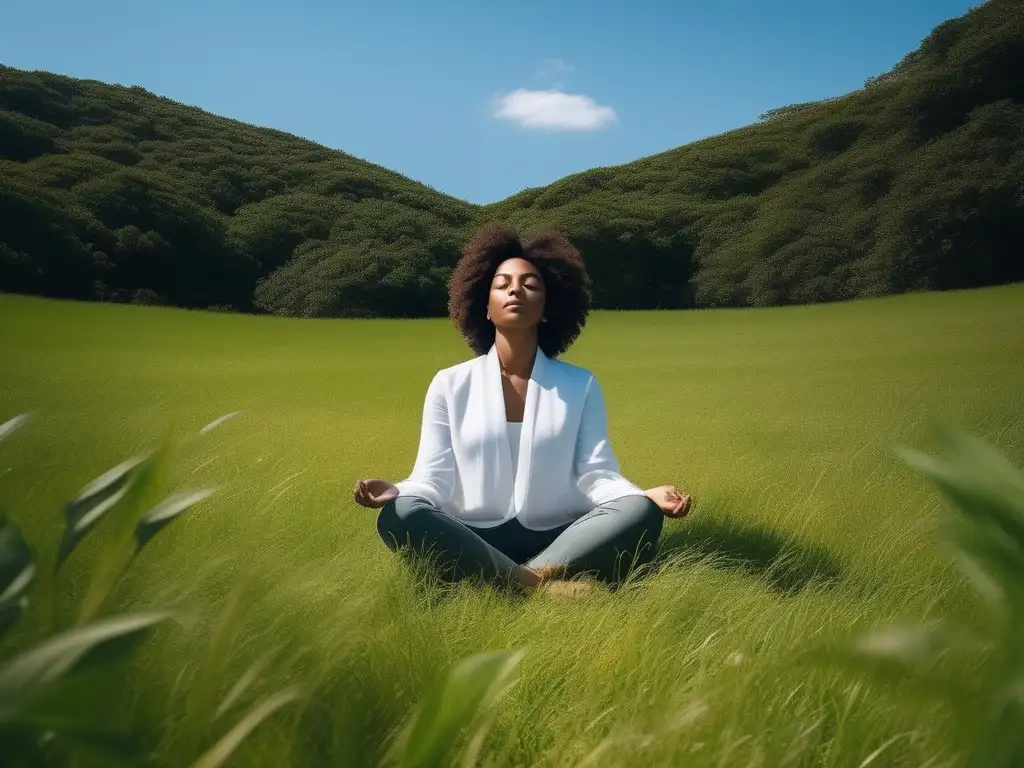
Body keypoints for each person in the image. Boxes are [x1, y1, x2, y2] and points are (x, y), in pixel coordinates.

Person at [353, 222, 692, 595]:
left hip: (560, 539)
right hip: (472, 536)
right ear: (484, 306)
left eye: (530, 284)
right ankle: (541, 588)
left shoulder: (580, 385)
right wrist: (397, 490)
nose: (516, 289)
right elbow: (433, 477)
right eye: (503, 284)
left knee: (639, 513)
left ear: (547, 306)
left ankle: (500, 584)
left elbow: (597, 473)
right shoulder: (450, 384)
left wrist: (643, 495)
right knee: (399, 515)